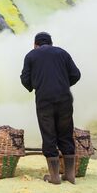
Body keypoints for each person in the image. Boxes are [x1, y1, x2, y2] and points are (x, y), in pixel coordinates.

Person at [20, 32, 81, 184]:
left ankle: (54, 177)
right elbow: (76, 74)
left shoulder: (31, 56)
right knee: (66, 134)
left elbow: (25, 79)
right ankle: (70, 175)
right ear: (51, 43)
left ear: (35, 44)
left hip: (44, 100)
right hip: (64, 99)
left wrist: (35, 86)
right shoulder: (63, 53)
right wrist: (63, 85)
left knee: (49, 134)